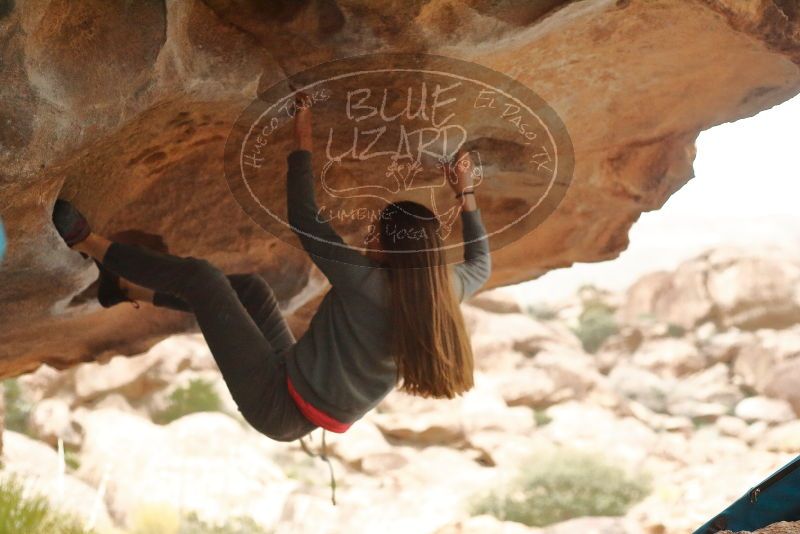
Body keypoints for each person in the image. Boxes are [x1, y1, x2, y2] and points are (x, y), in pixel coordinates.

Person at [51, 91, 491, 445]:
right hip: (294, 378)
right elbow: (482, 264)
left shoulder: (367, 284)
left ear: (398, 252)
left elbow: (304, 217)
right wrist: (465, 192)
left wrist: (302, 139)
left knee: (203, 279)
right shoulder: (444, 287)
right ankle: (127, 290)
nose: (369, 237)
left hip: (278, 404)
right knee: (254, 291)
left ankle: (85, 241)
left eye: (377, 233)